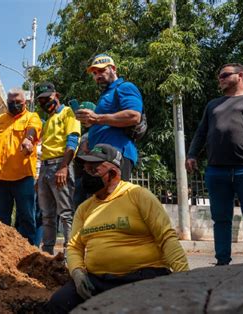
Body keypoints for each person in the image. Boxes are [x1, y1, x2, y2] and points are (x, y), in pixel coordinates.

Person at [47, 144, 189, 313]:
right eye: (85, 169)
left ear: (113, 173)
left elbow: (166, 238)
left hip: (142, 277)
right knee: (57, 304)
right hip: (97, 281)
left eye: (94, 169)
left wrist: (185, 279)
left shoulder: (138, 195)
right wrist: (77, 272)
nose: (86, 174)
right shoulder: (84, 209)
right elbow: (74, 247)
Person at [186, 63, 243, 266]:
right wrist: (192, 154)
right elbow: (201, 132)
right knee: (221, 219)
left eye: (224, 75)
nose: (220, 79)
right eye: (219, 76)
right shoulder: (213, 104)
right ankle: (222, 262)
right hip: (216, 170)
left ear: (240, 76)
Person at [75, 54, 143, 194]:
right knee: (98, 205)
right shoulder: (106, 94)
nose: (97, 76)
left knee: (113, 203)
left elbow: (134, 116)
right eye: (94, 73)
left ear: (113, 69)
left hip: (117, 156)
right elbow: (103, 122)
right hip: (98, 155)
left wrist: (96, 118)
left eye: (101, 70)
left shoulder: (125, 87)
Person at [0, 88, 42, 244]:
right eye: (11, 102)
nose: (15, 105)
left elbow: (32, 130)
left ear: (25, 102)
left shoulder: (32, 117)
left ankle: (29, 251)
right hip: (1, 178)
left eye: (18, 102)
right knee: (1, 218)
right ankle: (2, 250)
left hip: (23, 177)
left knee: (26, 217)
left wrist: (28, 140)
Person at [36, 82, 81, 255]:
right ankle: (47, 253)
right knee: (47, 214)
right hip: (45, 167)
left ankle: (70, 255)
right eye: (41, 100)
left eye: (47, 98)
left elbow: (72, 141)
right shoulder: (48, 121)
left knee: (65, 213)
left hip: (60, 164)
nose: (44, 102)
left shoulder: (68, 113)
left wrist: (63, 167)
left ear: (56, 95)